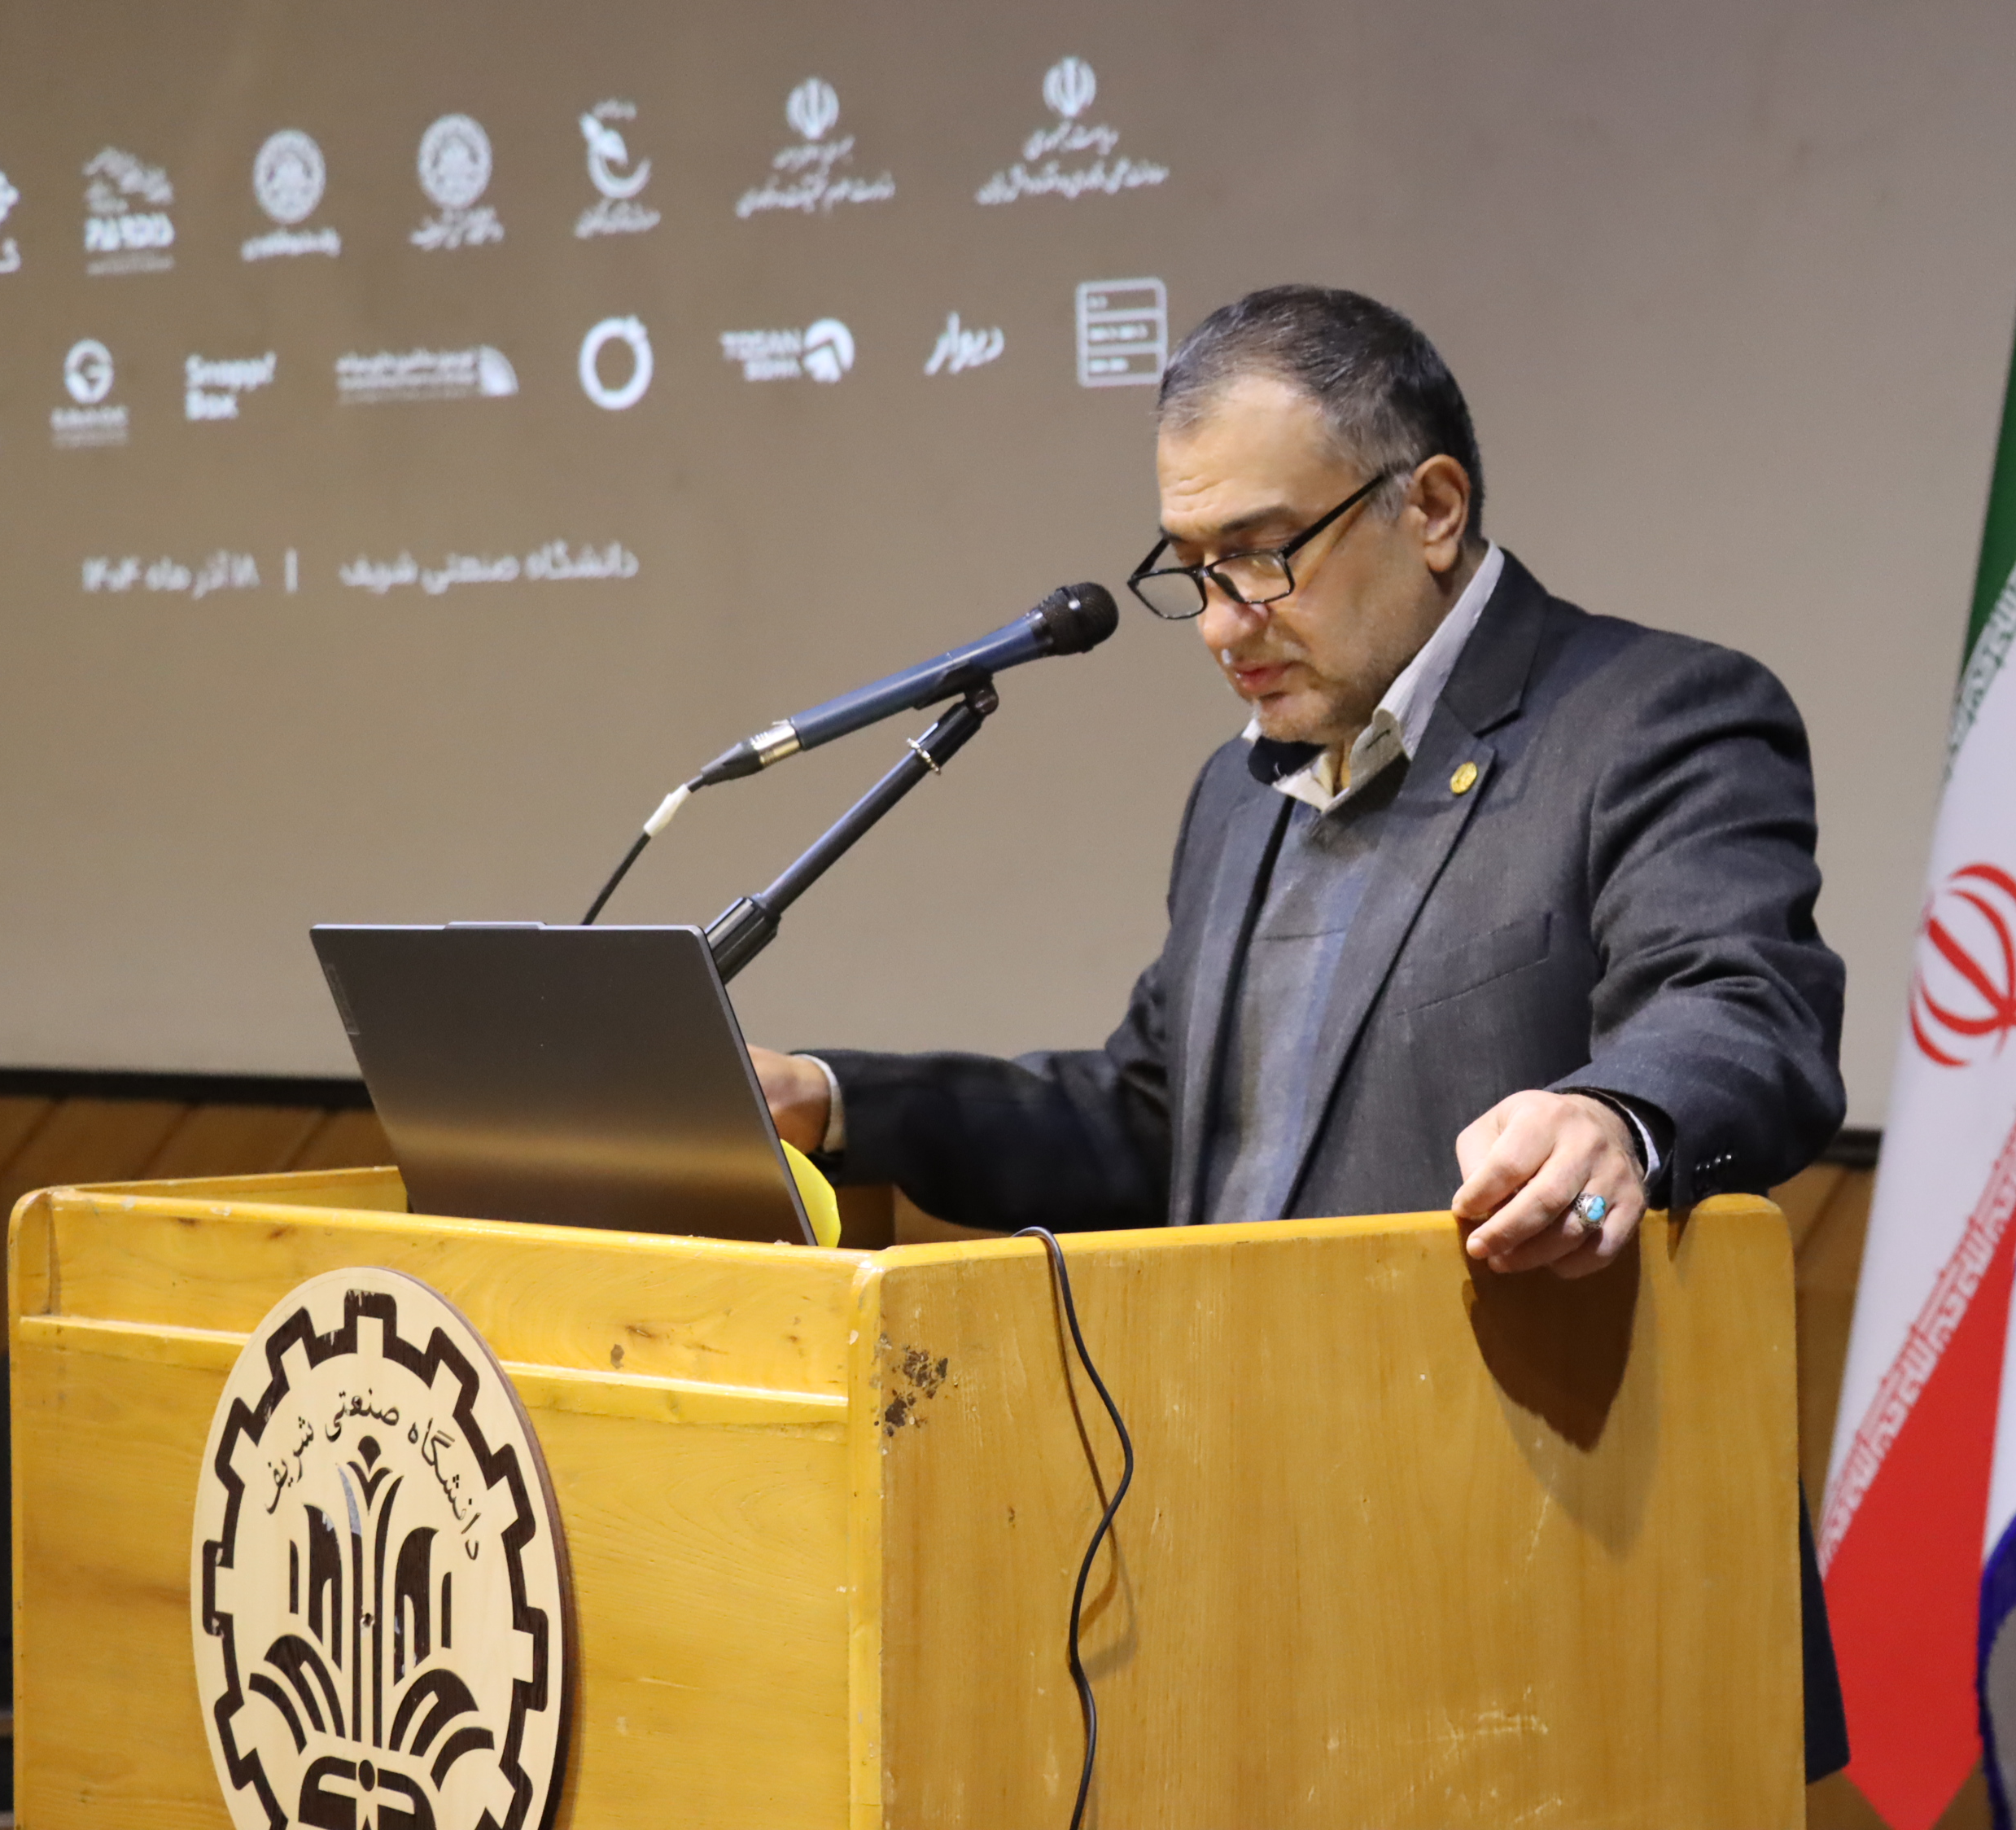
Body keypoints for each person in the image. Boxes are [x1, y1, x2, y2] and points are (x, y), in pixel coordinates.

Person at [749, 283, 1850, 1772]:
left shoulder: (1656, 719)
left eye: (1263, 556)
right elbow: (1157, 1121)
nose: (1221, 624)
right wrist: (833, 1099)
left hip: (1567, 1589)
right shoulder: (1241, 793)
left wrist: (1614, 1116)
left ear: (1432, 507)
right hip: (1260, 1581)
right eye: (1191, 571)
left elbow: (1742, 1006)